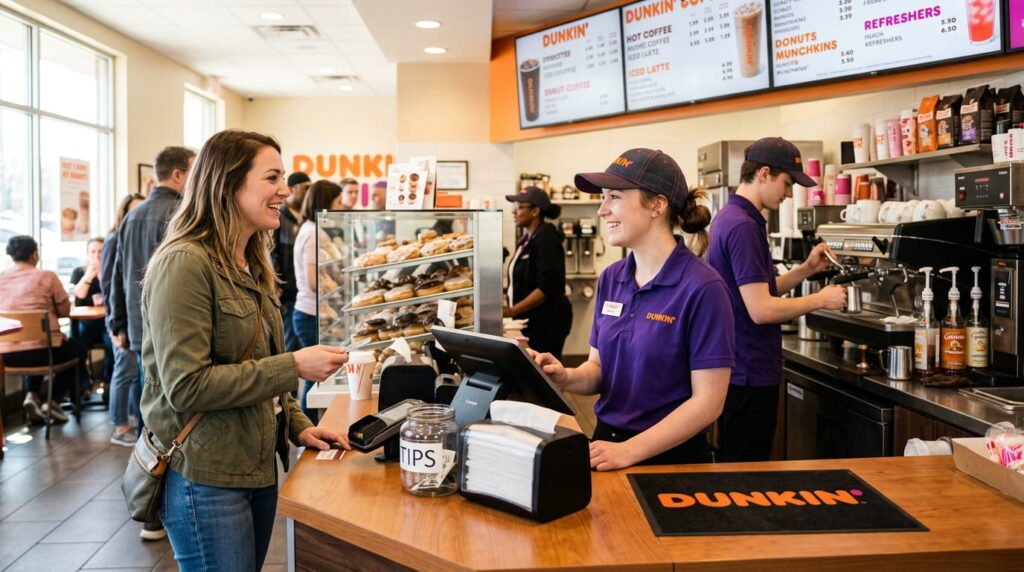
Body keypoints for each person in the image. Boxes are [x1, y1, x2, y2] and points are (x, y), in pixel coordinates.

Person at [141, 129, 349, 571]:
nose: (285, 191)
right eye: (271, 178)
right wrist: (294, 364)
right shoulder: (185, 263)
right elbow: (187, 387)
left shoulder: (253, 260)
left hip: (255, 465)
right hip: (205, 474)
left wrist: (297, 425)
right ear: (227, 183)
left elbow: (255, 364)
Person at [533, 149, 736, 470]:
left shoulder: (703, 288)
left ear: (657, 204)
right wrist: (566, 376)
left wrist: (629, 451)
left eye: (614, 196)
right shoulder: (612, 278)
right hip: (606, 445)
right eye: (603, 198)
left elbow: (708, 403)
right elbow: (598, 371)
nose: (602, 210)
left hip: (671, 459)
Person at [707, 137, 847, 463]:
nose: (788, 194)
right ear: (764, 173)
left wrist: (806, 269)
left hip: (740, 367)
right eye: (787, 183)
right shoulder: (742, 226)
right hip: (748, 372)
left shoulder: (734, 217)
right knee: (744, 473)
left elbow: (758, 290)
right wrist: (820, 300)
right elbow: (761, 309)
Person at [109, 145, 194, 540]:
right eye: (193, 171)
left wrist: (118, 322)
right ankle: (163, 508)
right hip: (175, 331)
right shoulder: (183, 215)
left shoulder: (131, 216)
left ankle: (152, 513)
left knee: (152, 418)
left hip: (141, 332)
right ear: (178, 175)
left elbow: (117, 272)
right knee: (173, 421)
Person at [0, 236, 82, 424]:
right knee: (77, 349)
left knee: (31, 343)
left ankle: (32, 397)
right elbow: (64, 311)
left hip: (7, 355)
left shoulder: (1, 278)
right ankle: (53, 401)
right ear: (35, 255)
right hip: (45, 353)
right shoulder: (47, 276)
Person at [292, 180, 346, 423]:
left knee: (316, 380)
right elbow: (314, 281)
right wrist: (334, 285)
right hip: (310, 313)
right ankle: (310, 427)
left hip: (310, 311)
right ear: (326, 203)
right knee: (316, 381)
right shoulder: (313, 233)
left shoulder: (310, 229)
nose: (341, 206)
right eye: (337, 201)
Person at [503, 187, 572, 359]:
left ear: (535, 211)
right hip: (531, 321)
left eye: (518, 207)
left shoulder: (546, 239)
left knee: (543, 375)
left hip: (547, 323)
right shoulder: (527, 239)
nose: (514, 212)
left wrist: (512, 311)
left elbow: (547, 287)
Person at [101, 193, 144, 446]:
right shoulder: (115, 239)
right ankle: (119, 426)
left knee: (132, 372)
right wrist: (116, 323)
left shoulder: (130, 239)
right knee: (124, 371)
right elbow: (110, 283)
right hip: (122, 319)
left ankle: (131, 421)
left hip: (129, 317)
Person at [272, 172, 311, 353]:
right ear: (294, 188)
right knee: (288, 342)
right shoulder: (278, 214)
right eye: (306, 188)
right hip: (286, 289)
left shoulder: (303, 217)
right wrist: (276, 281)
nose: (309, 192)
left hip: (300, 286)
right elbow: (272, 251)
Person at [70, 237, 112, 389]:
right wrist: (89, 276)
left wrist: (103, 275)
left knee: (111, 345)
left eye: (100, 251)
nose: (97, 256)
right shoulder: (79, 272)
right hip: (86, 323)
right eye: (93, 252)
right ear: (87, 254)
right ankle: (82, 384)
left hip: (108, 322)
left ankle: (107, 383)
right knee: (76, 345)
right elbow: (78, 298)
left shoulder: (113, 270)